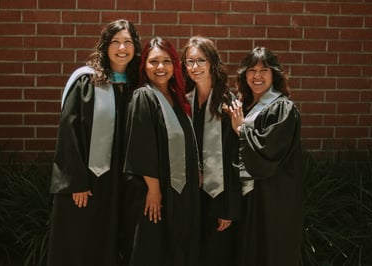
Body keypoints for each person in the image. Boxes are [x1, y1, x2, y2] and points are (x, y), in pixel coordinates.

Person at [47, 19, 141, 266]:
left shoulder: (135, 87)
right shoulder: (86, 83)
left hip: (118, 184)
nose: (122, 48)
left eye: (128, 42)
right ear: (105, 46)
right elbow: (69, 133)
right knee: (81, 243)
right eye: (116, 42)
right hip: (86, 184)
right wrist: (75, 182)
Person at [121, 36, 201, 266]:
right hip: (155, 191)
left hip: (180, 191)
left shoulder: (177, 99)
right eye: (153, 61)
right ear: (143, 65)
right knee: (153, 248)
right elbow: (141, 146)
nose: (160, 67)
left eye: (166, 61)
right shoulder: (143, 96)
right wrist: (154, 190)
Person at [224, 46, 304, 266]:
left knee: (269, 252)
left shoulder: (283, 109)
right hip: (248, 200)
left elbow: (268, 151)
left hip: (273, 200)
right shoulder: (246, 107)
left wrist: (241, 130)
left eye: (264, 70)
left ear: (274, 74)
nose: (257, 76)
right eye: (251, 70)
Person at [181, 36, 241, 266]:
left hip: (218, 198)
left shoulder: (228, 104)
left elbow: (235, 159)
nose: (194, 67)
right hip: (190, 195)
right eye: (189, 61)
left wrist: (227, 207)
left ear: (212, 63)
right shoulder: (184, 102)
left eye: (200, 60)